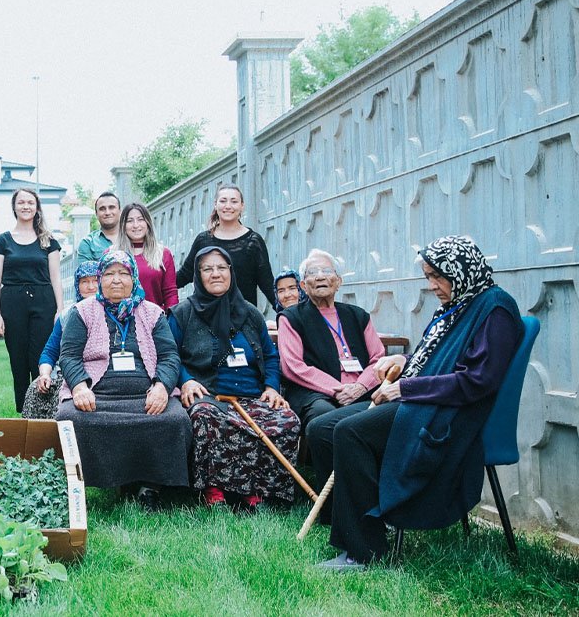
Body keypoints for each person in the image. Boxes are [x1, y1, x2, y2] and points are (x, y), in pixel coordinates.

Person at [311, 235, 523, 570]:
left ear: (461, 271)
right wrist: (401, 362)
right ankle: (357, 522)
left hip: (449, 413)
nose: (433, 285)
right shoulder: (458, 304)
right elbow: (436, 359)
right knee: (323, 427)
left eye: (438, 277)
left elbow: (475, 382)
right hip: (430, 400)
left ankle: (363, 551)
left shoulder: (495, 309)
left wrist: (405, 389)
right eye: (428, 276)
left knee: (351, 432)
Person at [55, 250, 190, 509]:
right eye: (109, 273)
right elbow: (69, 356)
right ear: (99, 278)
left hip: (145, 396)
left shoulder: (152, 312)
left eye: (123, 273)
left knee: (174, 419)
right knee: (69, 419)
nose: (116, 280)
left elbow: (170, 355)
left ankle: (150, 485)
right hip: (99, 397)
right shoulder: (82, 311)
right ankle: (81, 486)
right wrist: (80, 386)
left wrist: (162, 386)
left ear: (134, 278)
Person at [170, 246, 300, 511]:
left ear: (231, 272)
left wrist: (272, 387)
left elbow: (271, 356)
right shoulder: (183, 313)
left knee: (286, 420)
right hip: (211, 394)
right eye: (208, 269)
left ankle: (258, 490)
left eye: (221, 268)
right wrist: (185, 380)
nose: (215, 274)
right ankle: (215, 490)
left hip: (252, 394)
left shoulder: (250, 313)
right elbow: (168, 355)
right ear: (197, 274)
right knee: (205, 417)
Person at [277, 250, 385, 431]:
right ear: (303, 285)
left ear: (338, 282)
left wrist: (361, 386)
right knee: (324, 416)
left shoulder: (357, 315)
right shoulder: (291, 317)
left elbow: (378, 359)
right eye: (312, 272)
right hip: (314, 394)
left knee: (393, 406)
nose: (320, 277)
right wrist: (339, 389)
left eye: (327, 271)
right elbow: (293, 366)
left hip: (361, 388)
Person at [0, 188, 63, 413]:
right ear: (14, 207)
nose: (26, 206)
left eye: (30, 202)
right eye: (21, 202)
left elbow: (56, 277)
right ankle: (23, 412)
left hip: (43, 301)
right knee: (19, 363)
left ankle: (44, 412)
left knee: (40, 359)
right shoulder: (2, 241)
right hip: (12, 303)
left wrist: (60, 310)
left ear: (37, 207)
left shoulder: (48, 241)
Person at [176, 184, 276, 310]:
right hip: (205, 317)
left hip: (243, 318)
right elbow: (184, 275)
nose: (228, 206)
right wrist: (153, 278)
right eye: (223, 201)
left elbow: (267, 284)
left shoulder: (253, 242)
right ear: (215, 204)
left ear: (242, 206)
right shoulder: (203, 240)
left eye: (234, 201)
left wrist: (288, 316)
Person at [23, 260, 100, 420]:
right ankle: (37, 440)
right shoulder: (67, 315)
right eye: (84, 282)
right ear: (77, 285)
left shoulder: (110, 312)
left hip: (96, 373)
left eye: (95, 281)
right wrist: (45, 374)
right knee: (35, 389)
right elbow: (50, 352)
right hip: (65, 371)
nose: (91, 286)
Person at [115, 203, 178, 309]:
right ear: (123, 225)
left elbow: (170, 293)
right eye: (130, 221)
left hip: (155, 320)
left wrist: (170, 320)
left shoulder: (163, 254)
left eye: (140, 219)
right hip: (120, 321)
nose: (136, 225)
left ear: (148, 222)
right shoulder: (112, 254)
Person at [76, 191, 121, 263]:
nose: (107, 212)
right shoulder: (88, 243)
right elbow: (86, 273)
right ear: (96, 214)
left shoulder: (131, 237)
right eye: (102, 209)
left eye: (111, 207)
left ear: (120, 211)